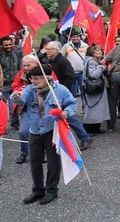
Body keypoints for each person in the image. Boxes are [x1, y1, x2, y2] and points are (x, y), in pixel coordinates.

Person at [16, 65, 77, 205]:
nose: (33, 81)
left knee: (53, 162)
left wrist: (66, 113)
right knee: (35, 162)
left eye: (37, 79)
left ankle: (51, 191)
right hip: (35, 131)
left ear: (47, 78)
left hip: (52, 131)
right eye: (31, 78)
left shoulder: (60, 90)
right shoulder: (30, 90)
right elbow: (21, 100)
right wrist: (16, 97)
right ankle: (37, 190)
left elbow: (72, 104)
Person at [43, 41, 92, 149]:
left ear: (55, 50)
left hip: (63, 91)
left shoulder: (62, 61)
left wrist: (62, 91)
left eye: (48, 49)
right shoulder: (49, 60)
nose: (46, 51)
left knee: (69, 116)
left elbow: (70, 77)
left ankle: (85, 137)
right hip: (55, 91)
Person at [11, 54, 40, 164]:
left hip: (42, 106)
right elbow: (14, 86)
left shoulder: (45, 70)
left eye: (28, 65)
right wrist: (20, 89)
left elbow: (54, 85)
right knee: (23, 131)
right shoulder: (21, 74)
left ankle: (41, 153)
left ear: (36, 63)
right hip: (25, 107)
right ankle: (24, 152)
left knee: (41, 131)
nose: (26, 68)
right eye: (24, 65)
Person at [82, 45, 110, 134]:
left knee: (97, 108)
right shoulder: (91, 61)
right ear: (92, 52)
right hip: (94, 87)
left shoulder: (94, 61)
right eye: (97, 50)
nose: (100, 52)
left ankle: (95, 128)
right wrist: (101, 67)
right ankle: (89, 129)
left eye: (100, 50)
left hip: (96, 87)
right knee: (93, 108)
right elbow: (93, 75)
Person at [61, 30, 88, 96]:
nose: (75, 38)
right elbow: (61, 57)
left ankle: (85, 106)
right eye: (73, 37)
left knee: (84, 92)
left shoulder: (85, 46)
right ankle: (73, 105)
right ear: (70, 38)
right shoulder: (66, 46)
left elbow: (88, 57)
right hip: (71, 73)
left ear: (80, 37)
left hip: (82, 72)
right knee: (72, 93)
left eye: (77, 37)